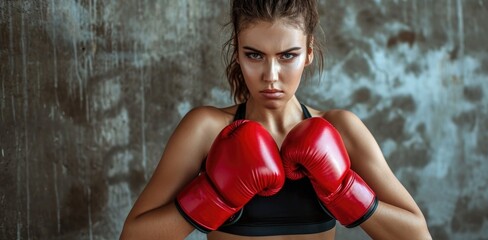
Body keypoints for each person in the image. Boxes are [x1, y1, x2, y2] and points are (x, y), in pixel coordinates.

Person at [120, 0, 432, 239]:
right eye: (254, 55)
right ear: (237, 53)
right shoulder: (206, 129)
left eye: (287, 55)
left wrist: (345, 192)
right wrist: (212, 197)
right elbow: (133, 235)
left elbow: (418, 234)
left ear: (308, 53)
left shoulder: (341, 129)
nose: (271, 76)